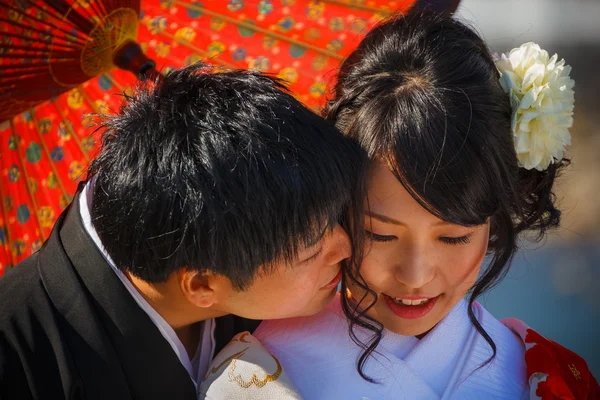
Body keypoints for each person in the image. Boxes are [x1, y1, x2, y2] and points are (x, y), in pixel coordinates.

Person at [200, 9, 598, 400]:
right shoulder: (254, 376)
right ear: (338, 206)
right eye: (380, 233)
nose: (415, 276)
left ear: (493, 219)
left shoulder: (555, 379)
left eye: (454, 238)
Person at [0, 63, 368, 400]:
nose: (347, 246)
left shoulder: (224, 239)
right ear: (203, 285)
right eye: (309, 251)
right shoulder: (19, 358)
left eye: (335, 218)